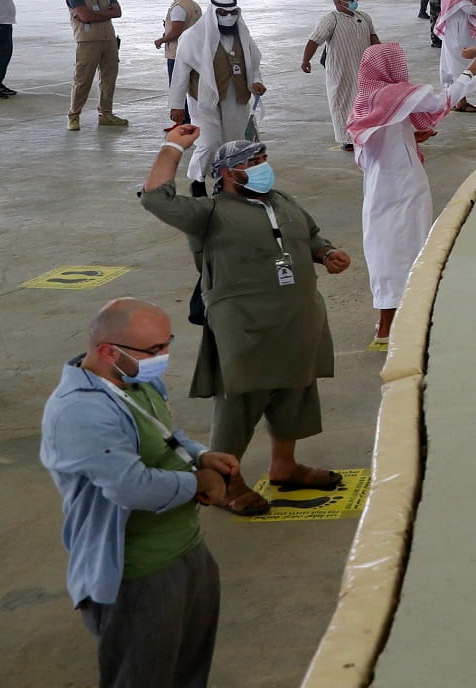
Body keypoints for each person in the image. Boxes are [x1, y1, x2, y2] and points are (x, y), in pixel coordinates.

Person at [140, 133, 349, 508]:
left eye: (263, 158)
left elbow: (310, 234)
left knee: (295, 390)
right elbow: (156, 199)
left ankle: (284, 467)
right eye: (251, 162)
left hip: (297, 317)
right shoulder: (208, 213)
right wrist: (173, 147)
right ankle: (225, 482)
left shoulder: (281, 200)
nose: (261, 167)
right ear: (227, 173)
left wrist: (327, 253)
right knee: (241, 399)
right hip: (245, 324)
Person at [40, 298, 240, 687]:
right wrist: (199, 483)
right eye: (153, 350)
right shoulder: (81, 412)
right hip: (138, 575)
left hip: (186, 550)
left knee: (188, 671)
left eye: (167, 344)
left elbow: (165, 434)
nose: (163, 356)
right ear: (107, 351)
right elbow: (132, 488)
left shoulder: (135, 380)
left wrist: (202, 454)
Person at [348, 42, 476, 341]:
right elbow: (439, 101)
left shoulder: (368, 97)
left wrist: (410, 136)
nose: (401, 70)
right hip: (401, 187)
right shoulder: (387, 94)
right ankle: (391, 326)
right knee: (405, 247)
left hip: (384, 185)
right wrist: (468, 74)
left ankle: (396, 319)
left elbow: (378, 140)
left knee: (389, 246)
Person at [169, 0, 264, 189]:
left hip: (236, 96)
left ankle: (225, 180)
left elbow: (253, 64)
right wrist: (177, 105)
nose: (229, 17)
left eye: (233, 13)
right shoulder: (193, 37)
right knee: (209, 142)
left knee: (234, 141)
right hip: (203, 98)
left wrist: (256, 82)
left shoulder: (242, 35)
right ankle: (197, 180)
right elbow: (180, 73)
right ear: (213, 13)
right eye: (223, 13)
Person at [302, 0, 380, 151]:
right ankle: (347, 139)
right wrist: (306, 60)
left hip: (364, 67)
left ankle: (367, 133)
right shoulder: (331, 19)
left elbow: (373, 36)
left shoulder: (364, 17)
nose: (354, 1)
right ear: (338, 2)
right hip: (341, 68)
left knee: (366, 101)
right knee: (342, 102)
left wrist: (381, 53)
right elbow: (314, 40)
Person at [67, 0, 126, 131]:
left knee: (109, 79)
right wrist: (104, 13)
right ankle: (74, 115)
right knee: (82, 80)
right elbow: (85, 17)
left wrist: (95, 15)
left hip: (109, 41)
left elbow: (118, 12)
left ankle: (106, 114)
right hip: (88, 42)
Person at [154, 0, 200, 82]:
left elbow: (176, 31)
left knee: (178, 86)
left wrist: (161, 40)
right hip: (193, 50)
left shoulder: (179, 7)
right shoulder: (193, 5)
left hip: (178, 53)